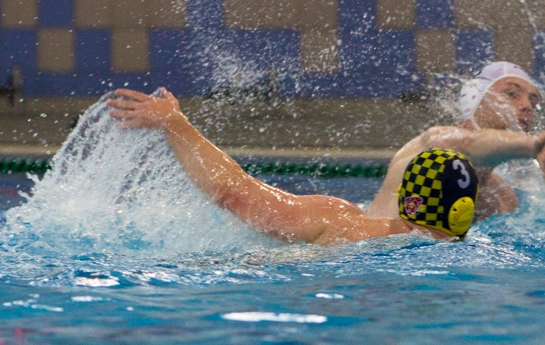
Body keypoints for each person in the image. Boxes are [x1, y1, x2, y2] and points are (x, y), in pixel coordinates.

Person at [107, 90, 480, 246]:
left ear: (408, 203)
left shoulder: (345, 224)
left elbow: (233, 193)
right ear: (465, 209)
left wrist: (176, 123)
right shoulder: (472, 253)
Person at [367, 62, 545, 220]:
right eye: (511, 94)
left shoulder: (502, 197)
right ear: (473, 100)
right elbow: (469, 144)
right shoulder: (433, 145)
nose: (527, 105)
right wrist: (532, 144)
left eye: (533, 102)